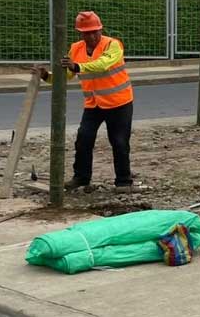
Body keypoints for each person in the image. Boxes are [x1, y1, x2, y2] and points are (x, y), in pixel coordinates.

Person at [34, 11, 135, 193]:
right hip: (94, 103)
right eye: (87, 33)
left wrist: (77, 66)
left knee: (119, 142)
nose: (92, 36)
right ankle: (81, 177)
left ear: (101, 29)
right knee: (83, 139)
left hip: (119, 102)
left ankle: (123, 182)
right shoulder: (76, 49)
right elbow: (67, 75)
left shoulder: (113, 45)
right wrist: (46, 76)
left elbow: (103, 64)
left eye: (95, 31)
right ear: (80, 33)